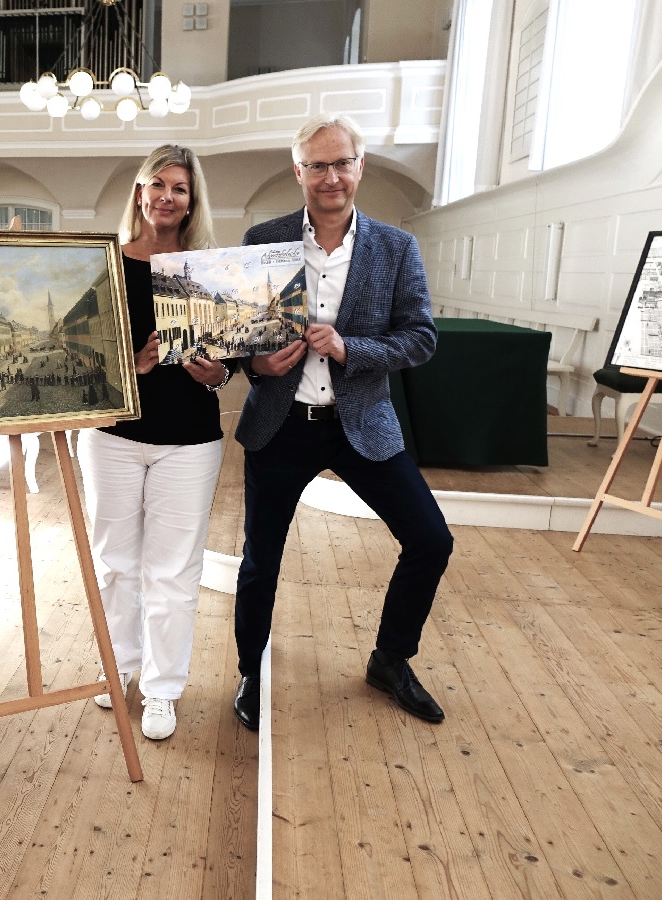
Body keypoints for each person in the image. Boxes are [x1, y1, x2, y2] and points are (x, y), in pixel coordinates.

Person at [231, 113, 454, 731]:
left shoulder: (396, 247)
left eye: (342, 163)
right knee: (260, 560)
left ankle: (391, 660)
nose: (331, 177)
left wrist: (353, 348)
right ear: (298, 172)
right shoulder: (263, 239)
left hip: (363, 423)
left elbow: (420, 340)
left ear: (361, 167)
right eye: (317, 165)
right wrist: (256, 360)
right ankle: (252, 671)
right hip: (281, 423)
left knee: (431, 540)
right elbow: (239, 335)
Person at [76, 145, 230, 741]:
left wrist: (215, 372)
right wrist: (128, 368)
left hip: (188, 440)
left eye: (181, 189)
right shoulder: (105, 266)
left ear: (193, 203)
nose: (168, 196)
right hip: (113, 435)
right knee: (115, 563)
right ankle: (119, 666)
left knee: (173, 571)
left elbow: (231, 361)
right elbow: (79, 356)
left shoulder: (209, 270)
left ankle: (163, 689)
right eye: (157, 183)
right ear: (139, 191)